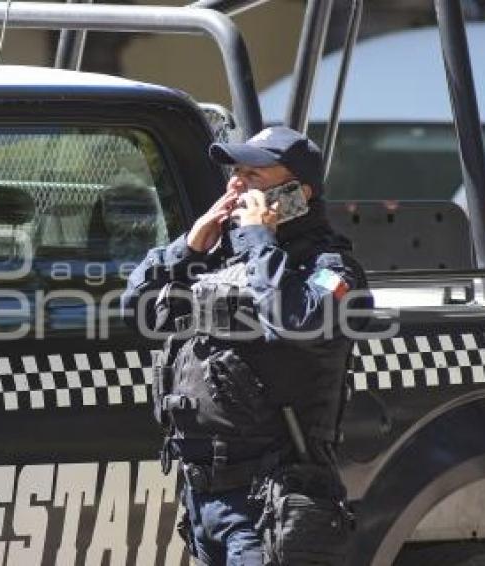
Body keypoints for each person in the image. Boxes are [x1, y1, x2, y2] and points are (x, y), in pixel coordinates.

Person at [122, 126, 370, 565]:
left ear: (298, 193)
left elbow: (298, 321)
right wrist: (188, 246)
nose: (236, 184)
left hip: (270, 503)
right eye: (234, 172)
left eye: (253, 176)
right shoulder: (219, 257)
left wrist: (259, 239)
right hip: (204, 499)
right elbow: (135, 311)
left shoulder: (330, 267)